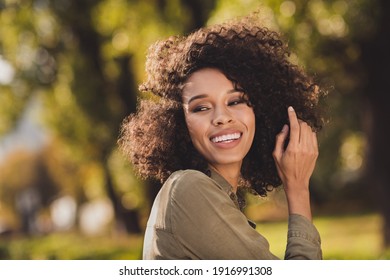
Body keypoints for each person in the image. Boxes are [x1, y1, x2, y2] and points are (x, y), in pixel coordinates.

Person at [119, 16, 325, 260]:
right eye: (201, 108)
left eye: (235, 101)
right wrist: (298, 189)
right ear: (179, 124)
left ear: (259, 110)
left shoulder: (215, 196)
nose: (221, 117)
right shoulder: (188, 190)